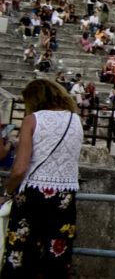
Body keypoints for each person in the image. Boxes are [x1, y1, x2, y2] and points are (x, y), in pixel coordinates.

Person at [2, 79, 83, 278]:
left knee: (22, 254)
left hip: (33, 194)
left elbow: (20, 168)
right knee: (56, 255)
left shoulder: (32, 120)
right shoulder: (75, 119)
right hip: (65, 196)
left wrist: (7, 192)